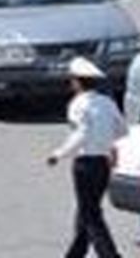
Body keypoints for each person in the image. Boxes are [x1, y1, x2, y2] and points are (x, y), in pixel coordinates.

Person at [47, 57, 127, 258]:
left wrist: (58, 154)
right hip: (103, 163)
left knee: (91, 215)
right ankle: (75, 254)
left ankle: (110, 255)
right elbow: (122, 130)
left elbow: (80, 134)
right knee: (87, 209)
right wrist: (108, 145)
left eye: (72, 80)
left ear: (78, 82)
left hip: (85, 165)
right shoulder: (108, 103)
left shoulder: (77, 105)